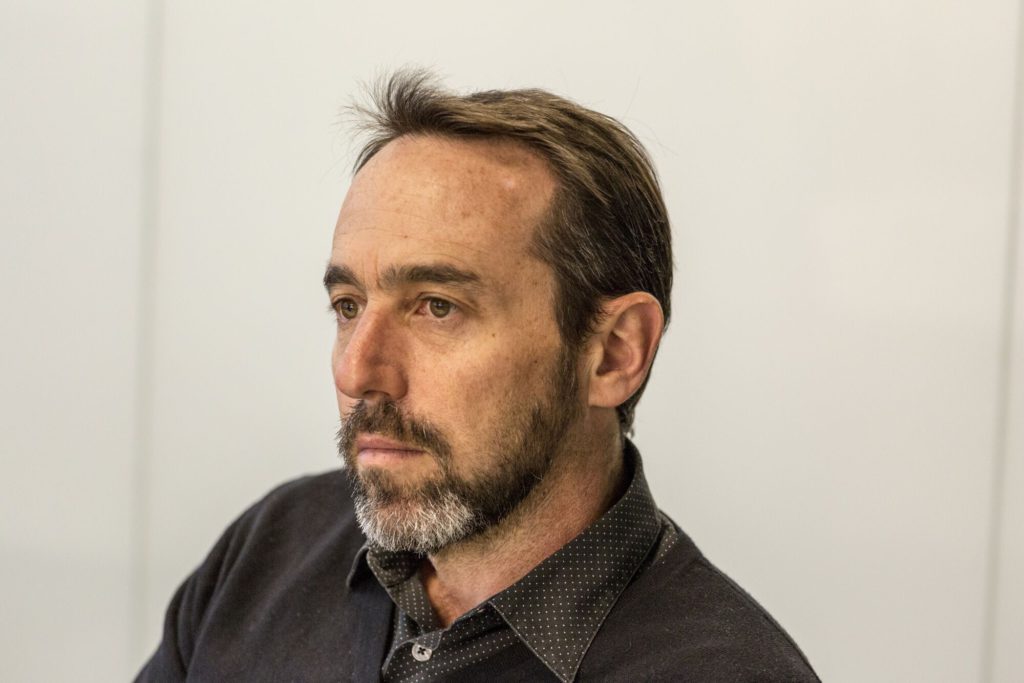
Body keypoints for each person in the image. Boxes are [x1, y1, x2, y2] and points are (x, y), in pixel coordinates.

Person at [136, 70, 819, 682]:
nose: (356, 370)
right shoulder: (270, 553)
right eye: (348, 306)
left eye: (438, 306)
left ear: (614, 352)